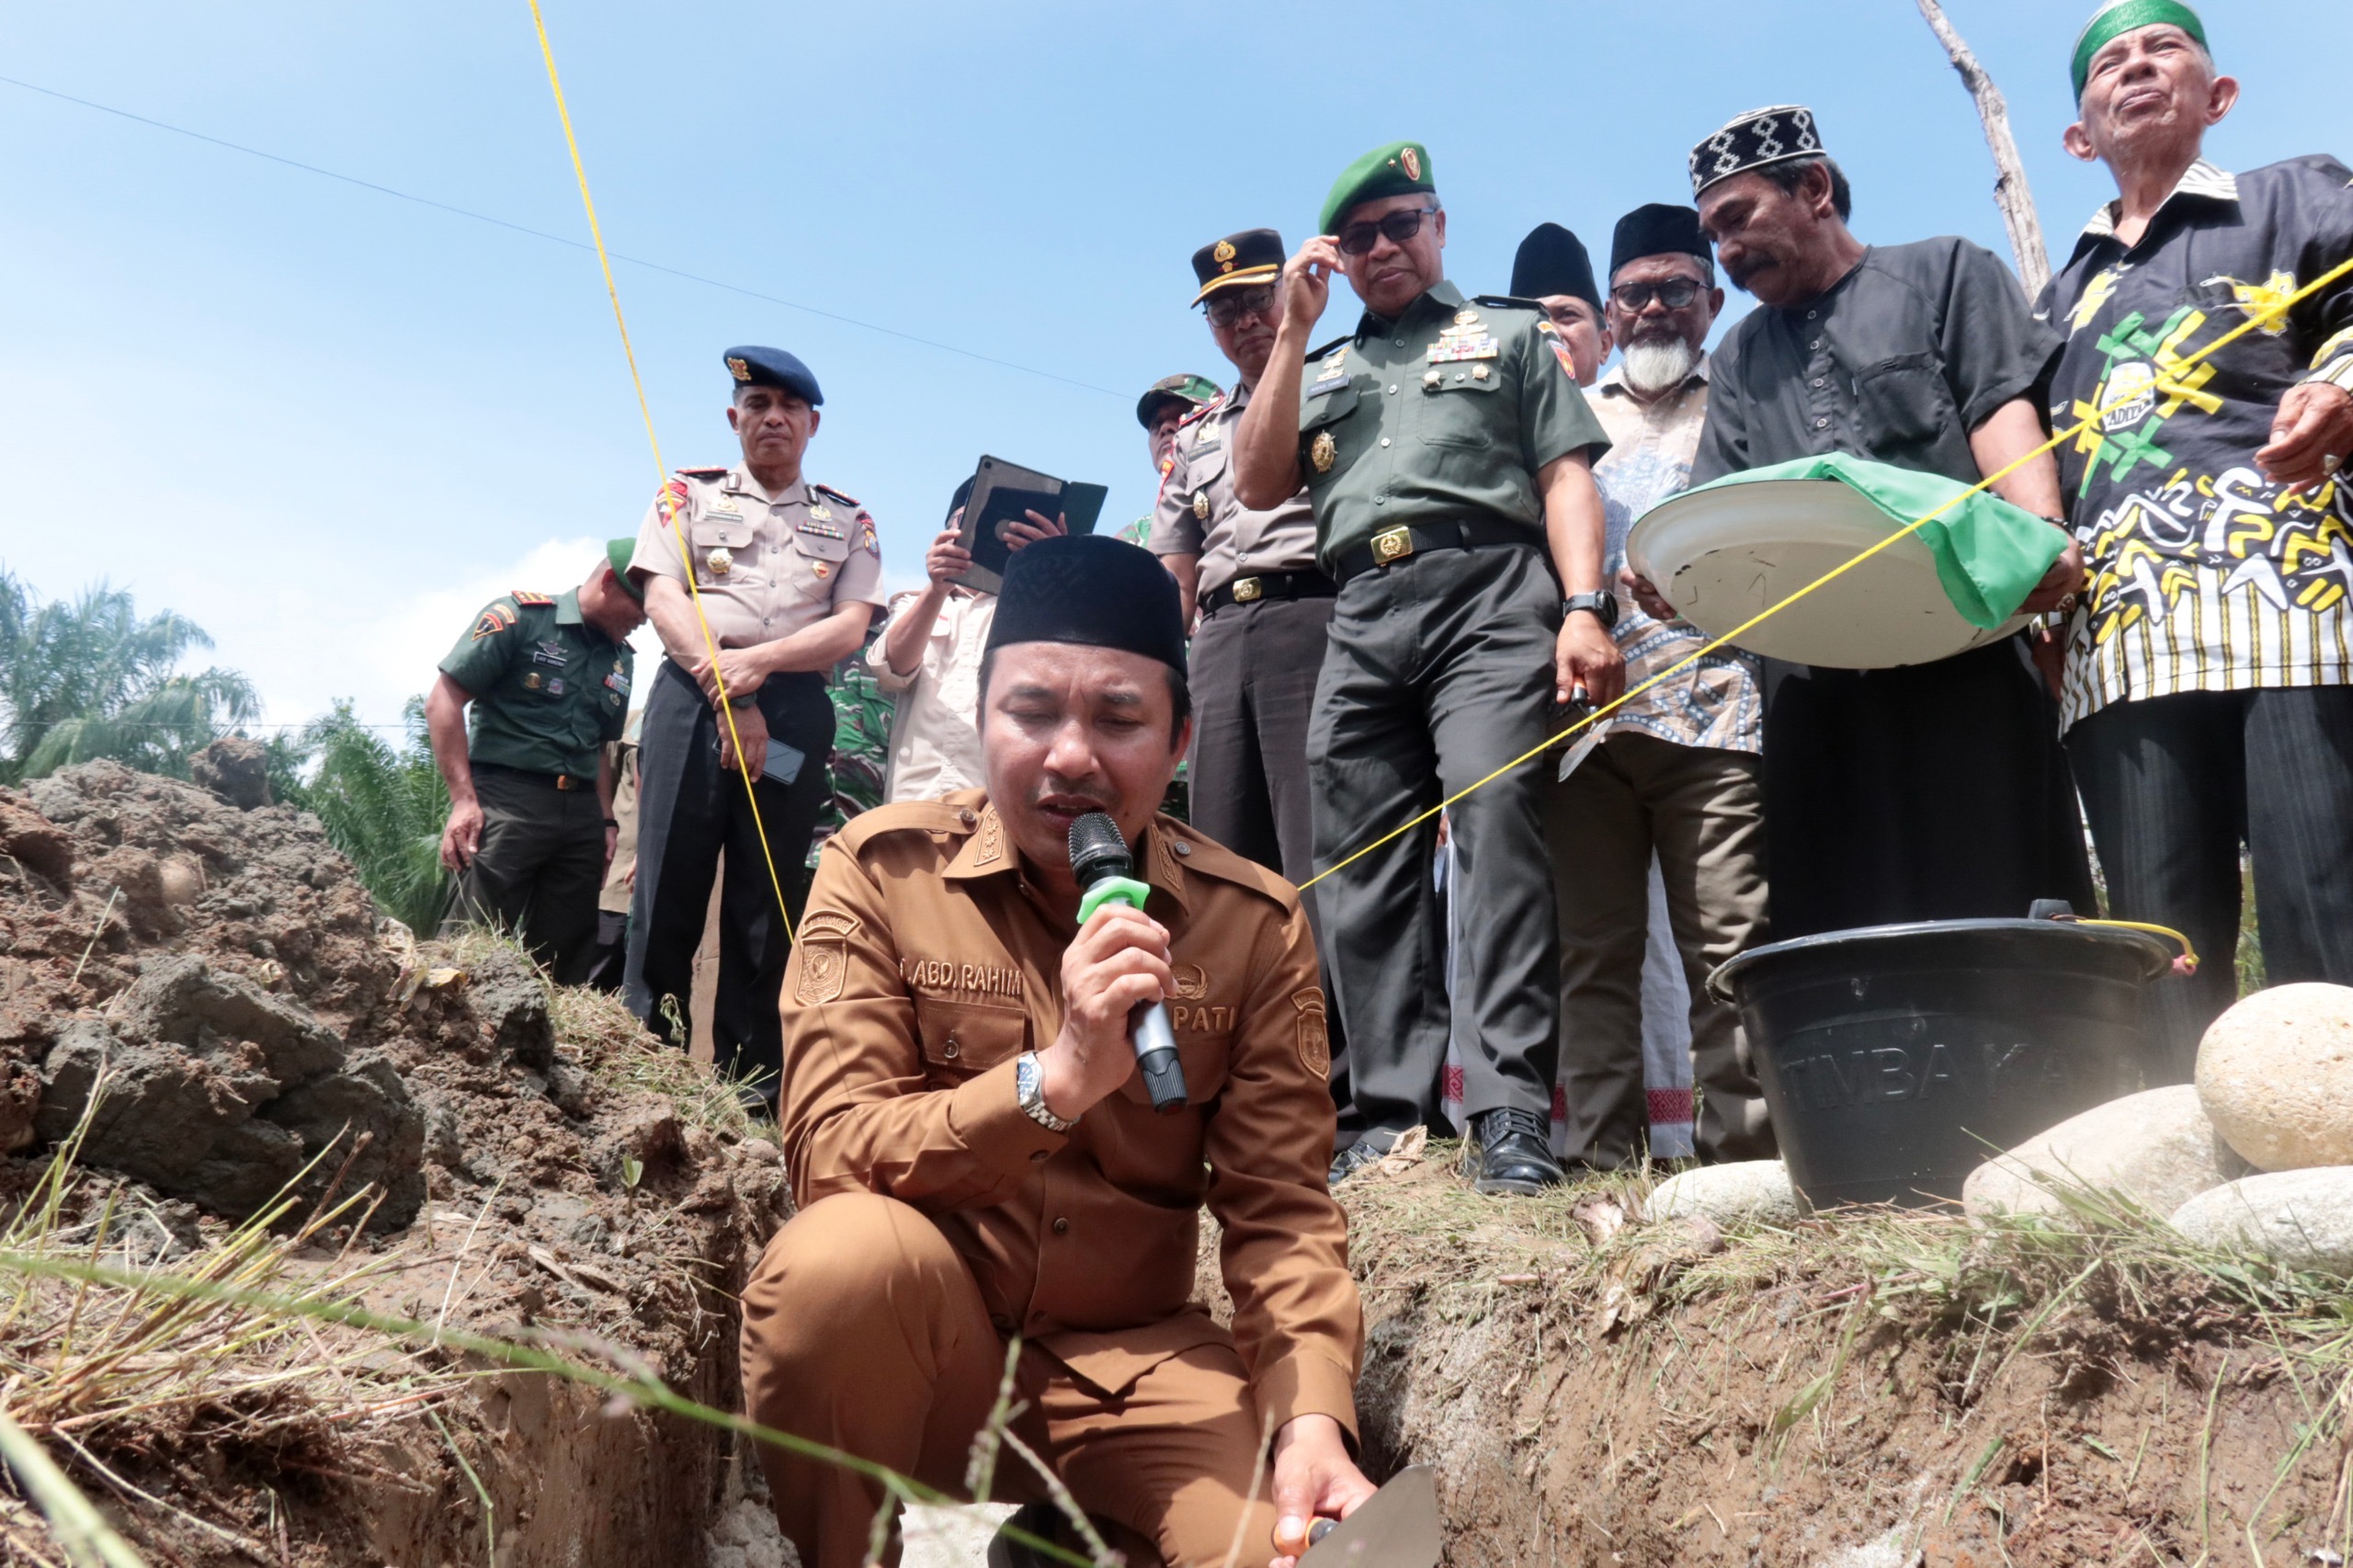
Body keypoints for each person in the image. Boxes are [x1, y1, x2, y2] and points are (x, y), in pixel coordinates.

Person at [741, 534, 1371, 1568]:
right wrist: (1053, 1081)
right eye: (1032, 712)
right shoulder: (879, 869)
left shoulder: (1251, 922)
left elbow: (1282, 1209)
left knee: (1289, 1550)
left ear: (1179, 744)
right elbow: (831, 1149)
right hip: (929, 1364)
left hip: (1142, 1368)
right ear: (981, 721)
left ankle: (1090, 1534)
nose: (1071, 755)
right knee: (838, 1263)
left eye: (1119, 718)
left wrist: (1311, 1419)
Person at [1233, 141, 1621, 1195]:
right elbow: (1258, 480)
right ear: (1337, 256)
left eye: (1400, 224)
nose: (1381, 247)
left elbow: (1565, 477)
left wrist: (1582, 607)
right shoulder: (1318, 368)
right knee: (1354, 856)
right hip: (1360, 609)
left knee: (1495, 831)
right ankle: (1392, 1119)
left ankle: (1506, 1114)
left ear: (1439, 225)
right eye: (1357, 237)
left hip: (1489, 593)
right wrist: (1288, 334)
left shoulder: (1504, 337)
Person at [1671, 107, 2094, 942]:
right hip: (1814, 684)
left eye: (1737, 219)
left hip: (1966, 647)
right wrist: (1665, 575)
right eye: (1712, 234)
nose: (1725, 252)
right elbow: (1717, 507)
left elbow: (2000, 409)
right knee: (1839, 925)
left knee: (2002, 903)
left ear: (1815, 189)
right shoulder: (1738, 356)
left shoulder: (1943, 273)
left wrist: (2043, 535)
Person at [2042, 0, 2353, 1073]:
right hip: (2118, 636)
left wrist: (2340, 378)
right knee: (2160, 930)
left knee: (2323, 882)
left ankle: (2331, 1143)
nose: (2136, 67)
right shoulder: (2055, 302)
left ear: (2217, 96)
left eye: (2162, 47)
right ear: (2079, 135)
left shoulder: (2293, 193)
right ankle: (2183, 1156)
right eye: (2109, 63)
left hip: (2288, 595)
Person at [1539, 204, 1775, 1167]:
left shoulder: (1750, 399)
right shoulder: (1568, 419)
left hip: (1719, 712)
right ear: (1609, 308)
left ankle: (1745, 1160)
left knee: (1729, 941)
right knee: (1592, 954)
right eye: (1634, 293)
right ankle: (1599, 1155)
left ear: (1712, 300)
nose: (1654, 309)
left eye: (1677, 288)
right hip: (1585, 724)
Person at [623, 346, 886, 1103]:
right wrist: (727, 687)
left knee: (765, 901)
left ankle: (752, 1091)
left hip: (797, 707)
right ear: (733, 417)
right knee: (668, 878)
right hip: (692, 691)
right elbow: (663, 599)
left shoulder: (850, 520)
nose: (773, 418)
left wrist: (762, 670)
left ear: (812, 425)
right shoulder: (686, 495)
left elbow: (848, 628)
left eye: (789, 408)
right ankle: (650, 1069)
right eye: (758, 404)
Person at [427, 540, 645, 983]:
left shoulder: (621, 658)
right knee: (471, 944)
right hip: (507, 803)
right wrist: (463, 801)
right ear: (608, 583)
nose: (646, 618)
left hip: (581, 815)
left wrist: (605, 821)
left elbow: (602, 747)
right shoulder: (519, 619)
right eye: (642, 604)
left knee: (566, 961)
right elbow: (442, 701)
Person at [870, 482, 1066, 803]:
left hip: (1000, 805)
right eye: (965, 518)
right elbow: (891, 670)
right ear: (947, 531)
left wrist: (1053, 570)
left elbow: (1069, 668)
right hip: (917, 800)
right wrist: (936, 589)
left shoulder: (1036, 609)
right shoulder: (916, 603)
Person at [1121, 373, 1222, 545]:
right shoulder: (1139, 535)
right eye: (1156, 424)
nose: (1165, 428)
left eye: (1183, 416)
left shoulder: (1250, 496)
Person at [583, 708, 642, 993]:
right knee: (595, 977)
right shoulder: (632, 723)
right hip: (618, 885)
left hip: (672, 890)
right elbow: (605, 787)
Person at [1510, 222, 1611, 382]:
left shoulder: (1646, 408)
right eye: (1531, 320)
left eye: (1567, 316)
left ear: (1604, 345)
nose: (1550, 331)